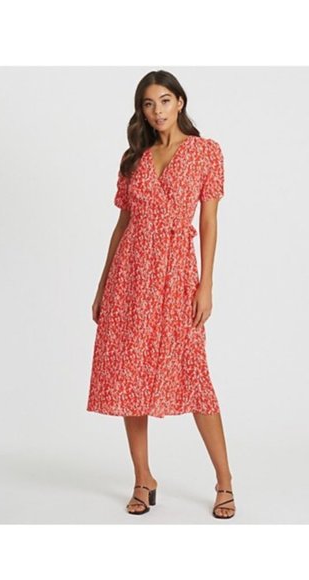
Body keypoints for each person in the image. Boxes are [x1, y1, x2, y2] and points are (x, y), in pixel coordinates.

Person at [86, 70, 235, 519]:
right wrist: (103, 284)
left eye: (165, 100)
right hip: (130, 276)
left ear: (180, 102)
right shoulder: (134, 158)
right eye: (149, 104)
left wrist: (206, 284)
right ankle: (143, 478)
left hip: (176, 274)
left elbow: (208, 222)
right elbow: (123, 225)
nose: (157, 111)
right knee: (129, 375)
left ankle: (224, 482)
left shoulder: (205, 152)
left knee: (195, 376)